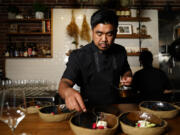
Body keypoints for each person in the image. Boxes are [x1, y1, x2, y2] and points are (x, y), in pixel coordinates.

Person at [58, 9, 132, 112]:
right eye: (99, 34)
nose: (104, 39)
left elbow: (126, 70)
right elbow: (64, 82)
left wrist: (127, 76)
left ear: (115, 33)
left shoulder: (120, 51)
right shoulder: (79, 55)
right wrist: (67, 92)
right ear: (92, 31)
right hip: (89, 110)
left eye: (109, 34)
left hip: (116, 108)